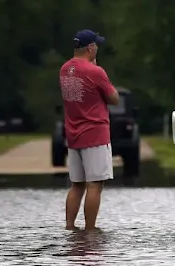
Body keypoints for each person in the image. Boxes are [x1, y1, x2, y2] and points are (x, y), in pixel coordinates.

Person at [59, 29, 119, 231]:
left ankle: (69, 227)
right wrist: (97, 69)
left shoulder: (65, 69)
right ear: (90, 48)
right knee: (95, 184)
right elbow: (114, 98)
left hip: (73, 133)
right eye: (97, 45)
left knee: (77, 185)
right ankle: (90, 229)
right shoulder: (96, 72)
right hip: (95, 133)